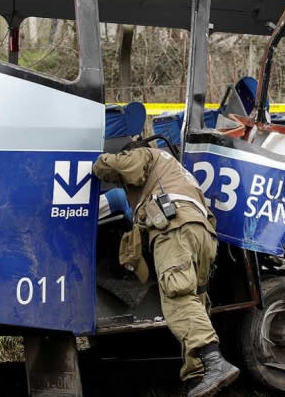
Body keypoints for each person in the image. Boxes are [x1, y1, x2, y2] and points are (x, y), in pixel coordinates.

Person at [93, 140, 240, 397]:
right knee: (194, 301)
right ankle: (199, 377)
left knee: (178, 298)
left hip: (176, 230)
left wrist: (97, 163)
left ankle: (214, 362)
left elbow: (127, 166)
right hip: (202, 233)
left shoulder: (147, 155)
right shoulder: (175, 172)